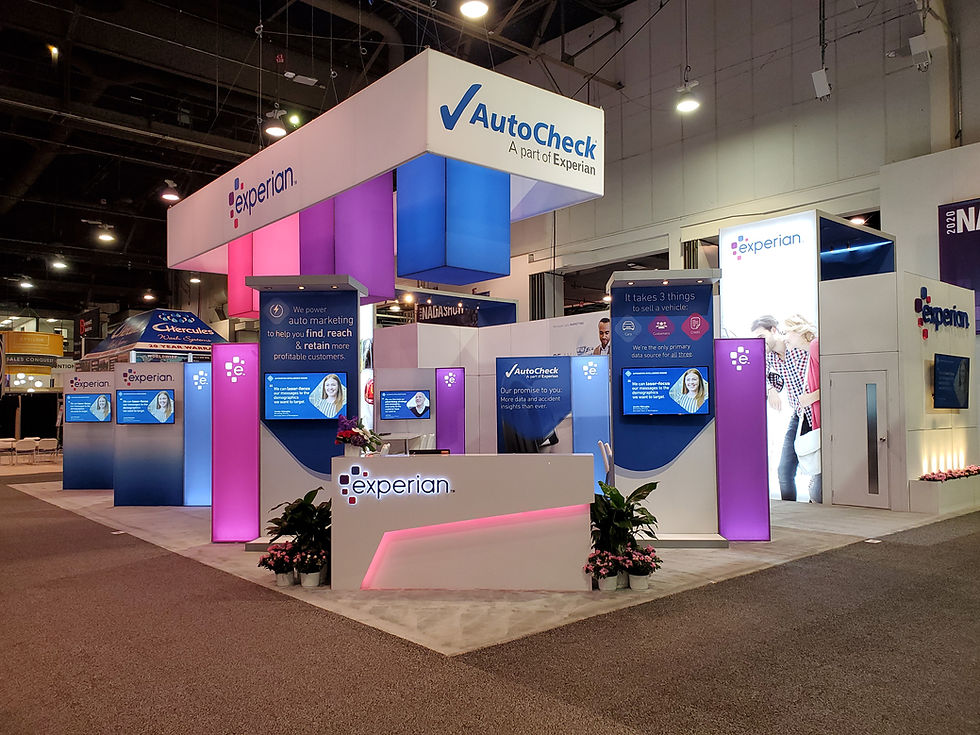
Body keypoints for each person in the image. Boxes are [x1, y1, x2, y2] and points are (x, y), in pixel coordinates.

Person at [752, 315, 809, 502]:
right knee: (784, 471)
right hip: (799, 414)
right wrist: (770, 390)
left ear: (774, 331)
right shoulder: (769, 357)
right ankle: (790, 511)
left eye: (761, 336)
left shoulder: (797, 347)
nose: (759, 342)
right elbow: (758, 373)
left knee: (818, 471)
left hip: (817, 412)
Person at [783, 314, 822, 503]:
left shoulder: (815, 346)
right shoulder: (809, 350)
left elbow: (834, 380)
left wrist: (810, 398)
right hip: (816, 419)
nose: (785, 338)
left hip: (822, 419)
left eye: (787, 332)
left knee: (817, 490)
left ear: (798, 330)